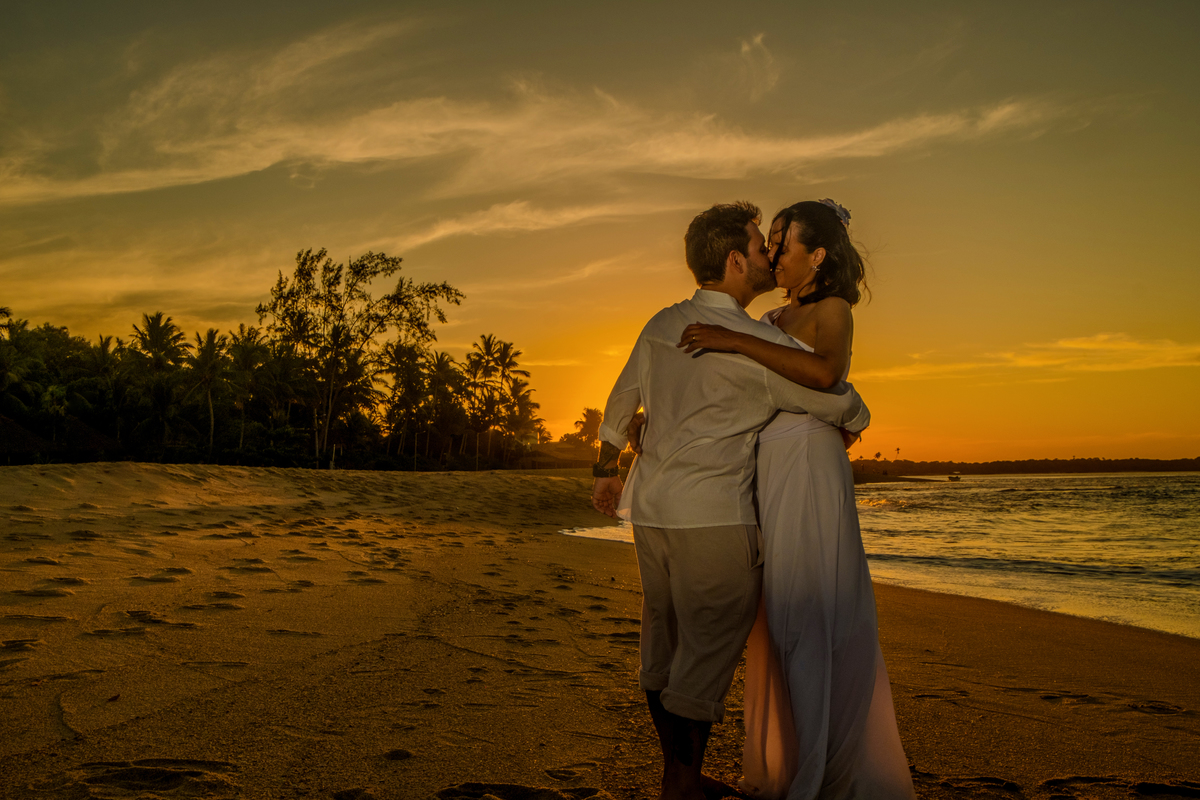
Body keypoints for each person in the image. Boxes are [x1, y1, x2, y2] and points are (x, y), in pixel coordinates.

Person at [590, 201, 871, 800]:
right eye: (759, 243)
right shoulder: (753, 341)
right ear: (736, 259)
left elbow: (622, 398)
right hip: (714, 519)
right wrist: (856, 414)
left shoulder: (662, 322)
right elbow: (823, 396)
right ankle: (682, 785)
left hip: (652, 513)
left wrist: (605, 469)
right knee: (707, 654)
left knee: (661, 651)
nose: (768, 253)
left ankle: (681, 774)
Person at [677, 199, 916, 799]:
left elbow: (827, 375)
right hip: (771, 467)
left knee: (811, 613)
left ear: (818, 255)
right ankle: (789, 761)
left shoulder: (833, 309)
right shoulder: (775, 318)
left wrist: (735, 340)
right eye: (773, 241)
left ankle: (817, 773)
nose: (774, 253)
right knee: (780, 617)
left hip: (809, 465)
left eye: (784, 243)